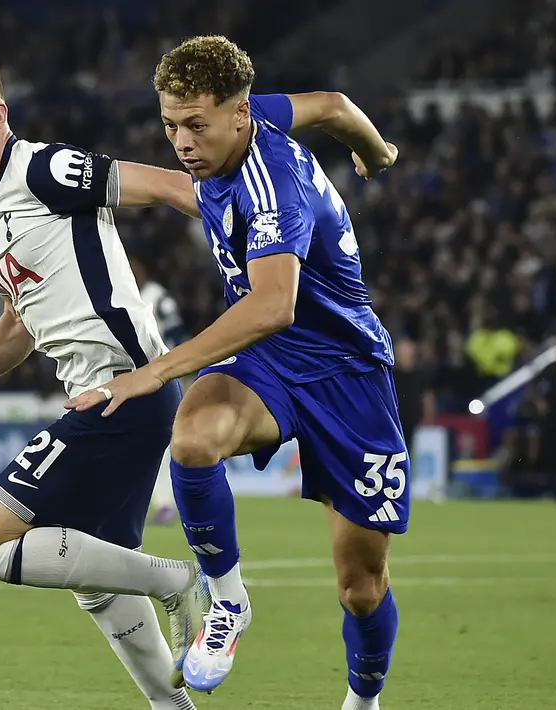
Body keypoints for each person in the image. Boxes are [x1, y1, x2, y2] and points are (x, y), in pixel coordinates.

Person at [67, 35, 402, 707]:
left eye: (195, 125)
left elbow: (273, 305)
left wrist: (153, 372)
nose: (181, 143)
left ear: (239, 114)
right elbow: (334, 106)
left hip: (348, 375)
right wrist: (376, 152)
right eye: (169, 125)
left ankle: (362, 701)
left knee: (360, 590)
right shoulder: (260, 116)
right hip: (271, 364)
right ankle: (228, 605)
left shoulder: (269, 187)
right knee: (192, 440)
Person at [0, 55, 211, 710]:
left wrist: (250, 246)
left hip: (124, 389)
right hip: (110, 398)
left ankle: (180, 581)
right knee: (94, 576)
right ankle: (173, 706)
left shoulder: (44, 169)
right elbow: (20, 319)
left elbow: (163, 184)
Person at [130, 255, 189, 526]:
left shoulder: (157, 297)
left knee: (163, 445)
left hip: (167, 376)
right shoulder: (125, 295)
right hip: (138, 379)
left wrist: (180, 367)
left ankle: (167, 504)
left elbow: (177, 335)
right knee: (149, 445)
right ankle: (153, 503)